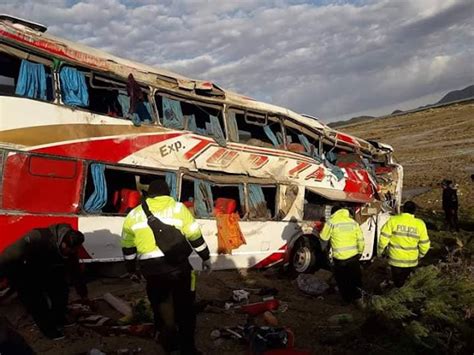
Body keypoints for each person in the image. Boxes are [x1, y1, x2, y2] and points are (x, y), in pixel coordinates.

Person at [121, 180, 211, 355]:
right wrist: (206, 258)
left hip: (151, 270)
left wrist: (131, 269)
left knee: (160, 306)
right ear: (167, 193)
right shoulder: (178, 208)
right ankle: (188, 349)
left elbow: (127, 246)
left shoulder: (134, 214)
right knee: (185, 308)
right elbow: (195, 235)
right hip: (178, 266)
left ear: (149, 194)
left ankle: (169, 345)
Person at [0, 224, 89, 340]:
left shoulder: (71, 247)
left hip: (47, 267)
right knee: (36, 301)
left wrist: (83, 293)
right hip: (22, 269)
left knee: (61, 291)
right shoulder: (37, 237)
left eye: (74, 251)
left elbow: (75, 270)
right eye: (69, 250)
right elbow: (8, 255)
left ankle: (58, 319)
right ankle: (48, 330)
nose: (72, 252)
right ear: (63, 243)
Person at [320, 206, 365, 307]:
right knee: (355, 278)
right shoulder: (353, 222)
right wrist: (360, 252)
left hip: (339, 259)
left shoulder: (331, 222)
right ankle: (358, 300)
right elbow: (361, 240)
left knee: (342, 280)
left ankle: (346, 300)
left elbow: (323, 237)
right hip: (353, 257)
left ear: (334, 212)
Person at [378, 201, 430, 287]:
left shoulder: (393, 220)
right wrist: (420, 255)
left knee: (397, 281)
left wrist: (380, 251)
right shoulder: (420, 224)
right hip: (411, 260)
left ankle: (396, 291)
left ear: (403, 209)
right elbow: (425, 244)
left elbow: (383, 239)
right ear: (414, 211)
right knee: (405, 280)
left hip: (395, 259)